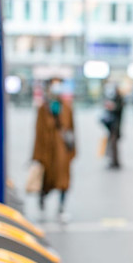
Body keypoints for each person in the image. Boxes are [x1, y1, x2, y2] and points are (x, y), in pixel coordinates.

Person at [31, 78, 76, 223]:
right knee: (46, 180)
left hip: (63, 151)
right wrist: (37, 155)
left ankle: (61, 208)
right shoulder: (43, 108)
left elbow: (72, 130)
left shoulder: (67, 108)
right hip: (47, 151)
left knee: (63, 181)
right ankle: (42, 201)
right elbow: (38, 133)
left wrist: (72, 151)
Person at [104, 85, 124, 169]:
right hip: (113, 125)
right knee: (112, 144)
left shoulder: (119, 100)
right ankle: (113, 161)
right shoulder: (115, 99)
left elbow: (117, 109)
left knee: (114, 144)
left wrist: (111, 107)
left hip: (115, 126)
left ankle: (115, 162)